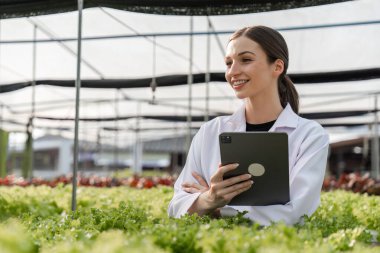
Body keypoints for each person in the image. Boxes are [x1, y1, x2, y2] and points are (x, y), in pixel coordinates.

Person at [167, 26, 329, 226]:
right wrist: (208, 199)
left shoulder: (309, 135)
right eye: (229, 63)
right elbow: (176, 206)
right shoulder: (210, 132)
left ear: (277, 67)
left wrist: (217, 208)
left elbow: (296, 213)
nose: (232, 72)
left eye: (246, 60)